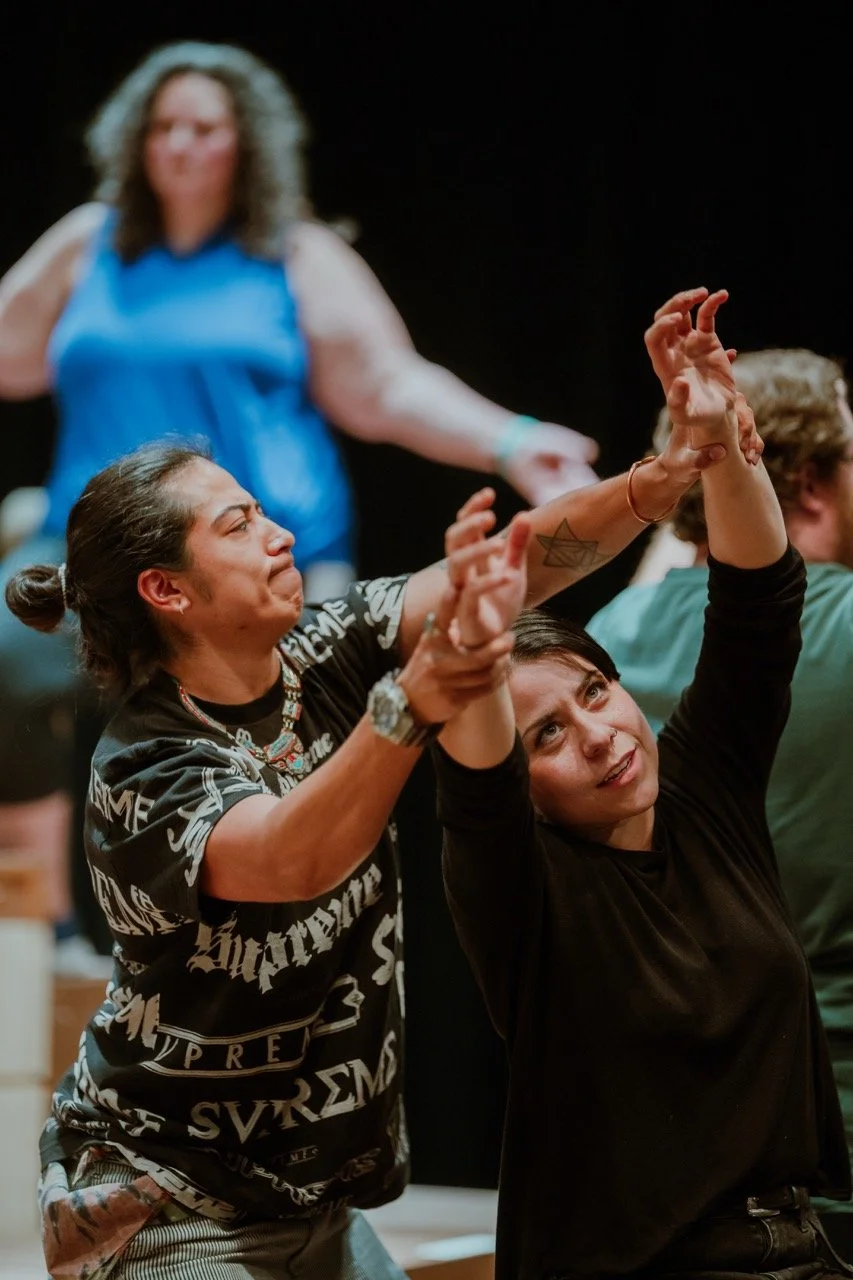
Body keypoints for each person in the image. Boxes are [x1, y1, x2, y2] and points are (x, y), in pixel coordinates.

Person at [6, 383, 732, 1276]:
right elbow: (292, 856)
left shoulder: (326, 645)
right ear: (166, 589)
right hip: (167, 1203)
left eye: (261, 512)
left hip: (311, 1204)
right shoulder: (143, 769)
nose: (278, 534)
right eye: (237, 526)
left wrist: (661, 479)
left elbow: (521, 562)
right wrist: (407, 704)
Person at [0, 39, 600, 956]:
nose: (180, 145)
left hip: (258, 560)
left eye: (204, 127)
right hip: (105, 555)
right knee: (11, 664)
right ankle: (44, 937)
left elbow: (387, 384)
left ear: (244, 142)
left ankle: (283, 949)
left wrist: (512, 439)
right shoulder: (91, 242)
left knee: (284, 748)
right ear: (135, 140)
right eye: (163, 127)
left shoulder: (291, 250)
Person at [432, 289, 853, 1278]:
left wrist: (716, 444)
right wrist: (469, 654)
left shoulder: (706, 799)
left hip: (800, 1249)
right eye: (546, 733)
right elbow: (475, 792)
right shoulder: (526, 896)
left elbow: (758, 604)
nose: (599, 734)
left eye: (594, 692)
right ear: (519, 780)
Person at [586, 349, 853, 1256]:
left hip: (669, 1135)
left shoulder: (605, 646)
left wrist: (698, 463)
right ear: (811, 481)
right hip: (832, 1125)